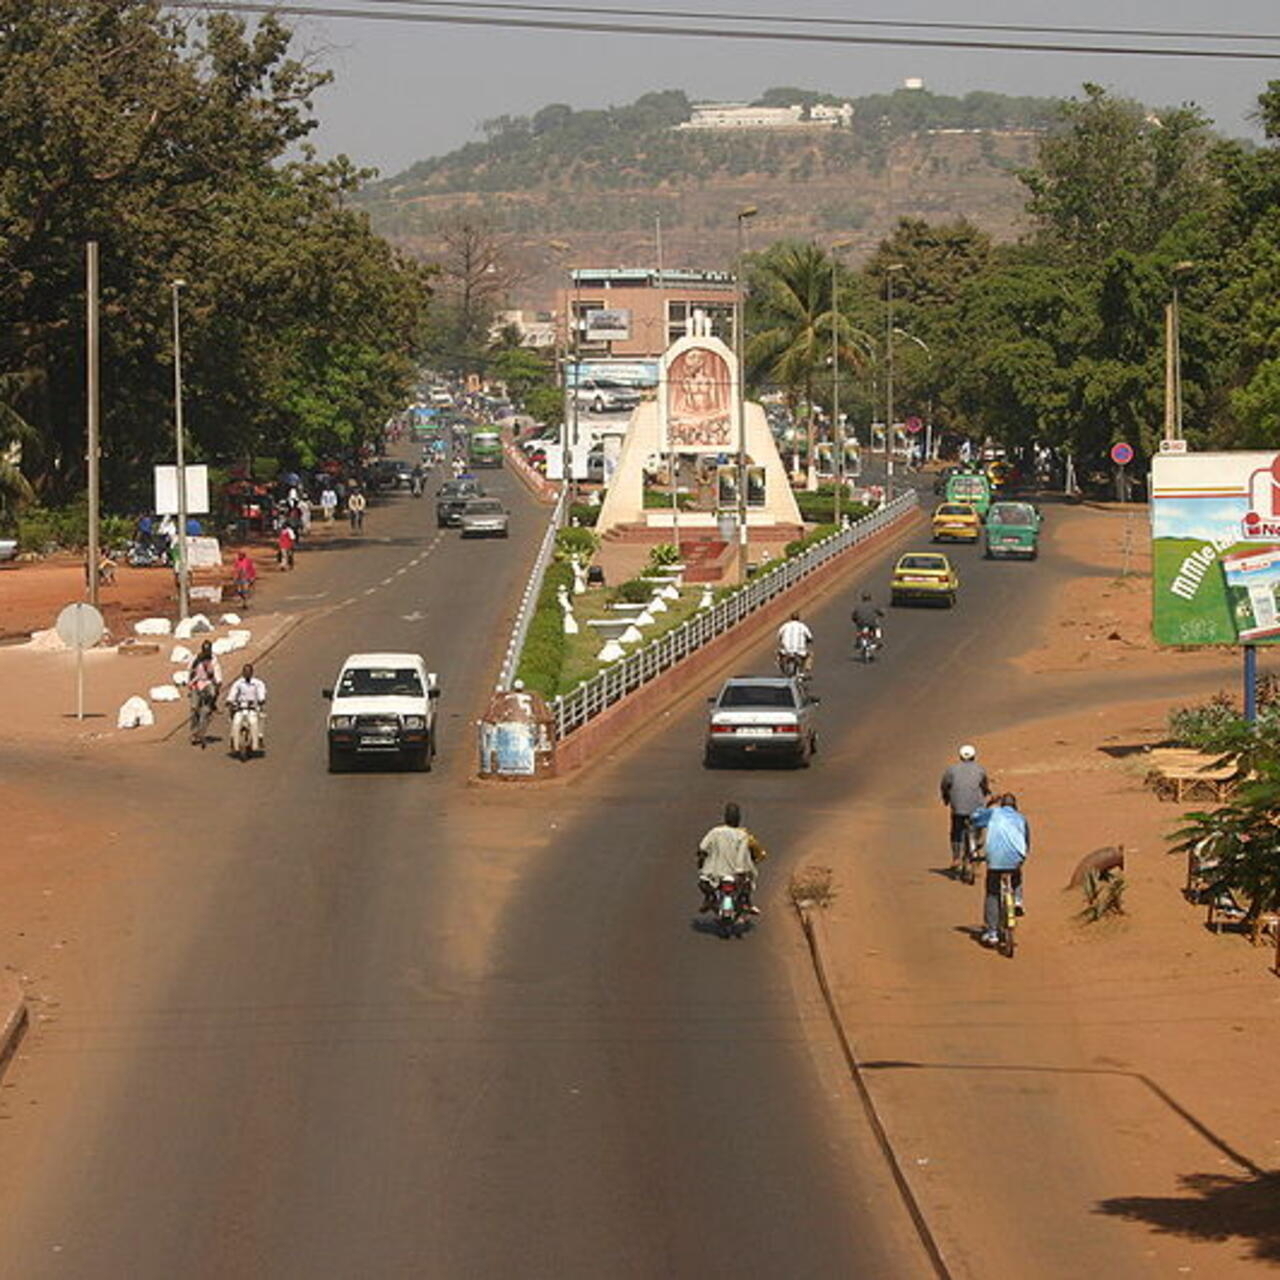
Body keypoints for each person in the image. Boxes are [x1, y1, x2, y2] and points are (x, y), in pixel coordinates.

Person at [972, 794, 1030, 946]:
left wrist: (987, 805)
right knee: (1016, 873)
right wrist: (1022, 858)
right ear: (1015, 806)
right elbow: (1027, 842)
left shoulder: (993, 813)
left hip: (995, 860)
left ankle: (992, 933)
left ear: (1001, 805)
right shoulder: (1021, 818)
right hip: (1015, 858)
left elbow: (974, 819)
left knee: (992, 892)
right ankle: (1017, 899)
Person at [696, 802, 767, 915]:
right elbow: (746, 853)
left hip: (715, 874)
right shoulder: (743, 835)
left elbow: (702, 848)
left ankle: (710, 899)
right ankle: (746, 903)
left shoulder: (715, 832)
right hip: (737, 875)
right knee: (748, 883)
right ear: (738, 819)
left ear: (725, 818)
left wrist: (701, 861)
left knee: (703, 882)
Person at [940, 744, 991, 875]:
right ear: (974, 756)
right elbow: (985, 786)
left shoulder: (951, 770)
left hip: (958, 809)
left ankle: (956, 858)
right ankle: (978, 845)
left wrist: (946, 799)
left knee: (956, 831)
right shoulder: (980, 769)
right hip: (976, 809)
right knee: (979, 826)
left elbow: (945, 786)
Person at [225, 661, 268, 754]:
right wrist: (229, 700)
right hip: (240, 707)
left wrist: (261, 699)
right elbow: (233, 693)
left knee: (257, 719)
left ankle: (259, 737)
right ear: (243, 673)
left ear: (252, 672)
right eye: (245, 672)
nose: (247, 673)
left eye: (249, 672)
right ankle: (233, 738)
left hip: (253, 707)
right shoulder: (238, 683)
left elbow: (261, 692)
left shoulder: (258, 683)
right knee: (235, 721)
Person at [187, 640, 223, 746]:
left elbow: (218, 673)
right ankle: (194, 731)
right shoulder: (196, 659)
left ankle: (212, 706)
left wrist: (218, 681)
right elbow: (190, 671)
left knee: (211, 695)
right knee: (194, 708)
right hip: (197, 683)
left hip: (208, 683)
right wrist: (190, 683)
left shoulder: (214, 660)